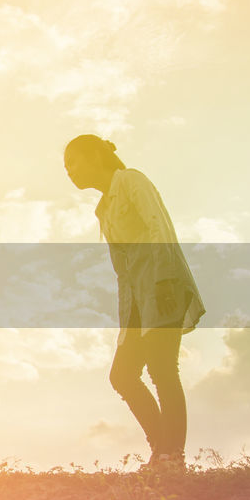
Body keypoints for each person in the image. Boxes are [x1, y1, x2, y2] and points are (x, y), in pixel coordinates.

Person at [63, 135, 204, 470]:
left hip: (162, 284)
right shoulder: (104, 208)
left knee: (162, 370)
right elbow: (123, 270)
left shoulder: (130, 180)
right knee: (122, 375)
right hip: (137, 300)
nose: (69, 172)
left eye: (73, 162)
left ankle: (171, 458)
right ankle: (163, 451)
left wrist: (166, 281)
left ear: (96, 155)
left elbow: (159, 227)